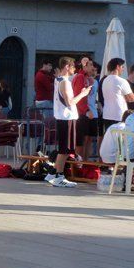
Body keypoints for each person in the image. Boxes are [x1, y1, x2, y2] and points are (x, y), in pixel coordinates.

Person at [46, 57, 91, 188]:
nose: (74, 69)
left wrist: (83, 66)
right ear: (67, 67)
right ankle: (59, 176)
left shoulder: (59, 79)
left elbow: (75, 77)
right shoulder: (64, 82)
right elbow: (69, 102)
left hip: (64, 118)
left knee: (66, 149)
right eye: (72, 67)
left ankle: (53, 173)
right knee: (65, 150)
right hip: (66, 118)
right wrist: (83, 94)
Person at [101, 58, 134, 132]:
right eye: (122, 67)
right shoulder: (122, 81)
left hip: (107, 114)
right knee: (119, 141)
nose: (123, 69)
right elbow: (132, 98)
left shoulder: (104, 80)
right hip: (119, 115)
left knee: (109, 139)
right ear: (117, 67)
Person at [72, 59, 97, 159]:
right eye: (90, 65)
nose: (93, 68)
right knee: (81, 141)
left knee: (89, 139)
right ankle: (79, 164)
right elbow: (79, 97)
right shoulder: (80, 77)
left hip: (90, 113)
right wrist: (86, 111)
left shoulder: (88, 78)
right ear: (84, 66)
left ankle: (86, 163)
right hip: (82, 114)